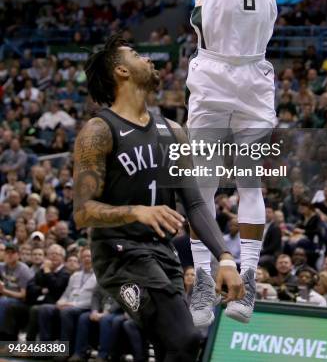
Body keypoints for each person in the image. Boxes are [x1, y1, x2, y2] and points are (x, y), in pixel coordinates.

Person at [73, 35, 244, 362]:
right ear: (121, 70)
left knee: (174, 347)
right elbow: (83, 213)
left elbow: (194, 204)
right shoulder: (99, 130)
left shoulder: (173, 132)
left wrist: (224, 257)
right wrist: (136, 211)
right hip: (118, 254)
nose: (148, 59)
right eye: (137, 53)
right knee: (184, 337)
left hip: (161, 255)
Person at [185, 0, 286, 326]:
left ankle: (246, 282)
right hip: (213, 70)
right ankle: (203, 280)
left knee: (250, 181)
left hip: (254, 77)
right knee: (201, 182)